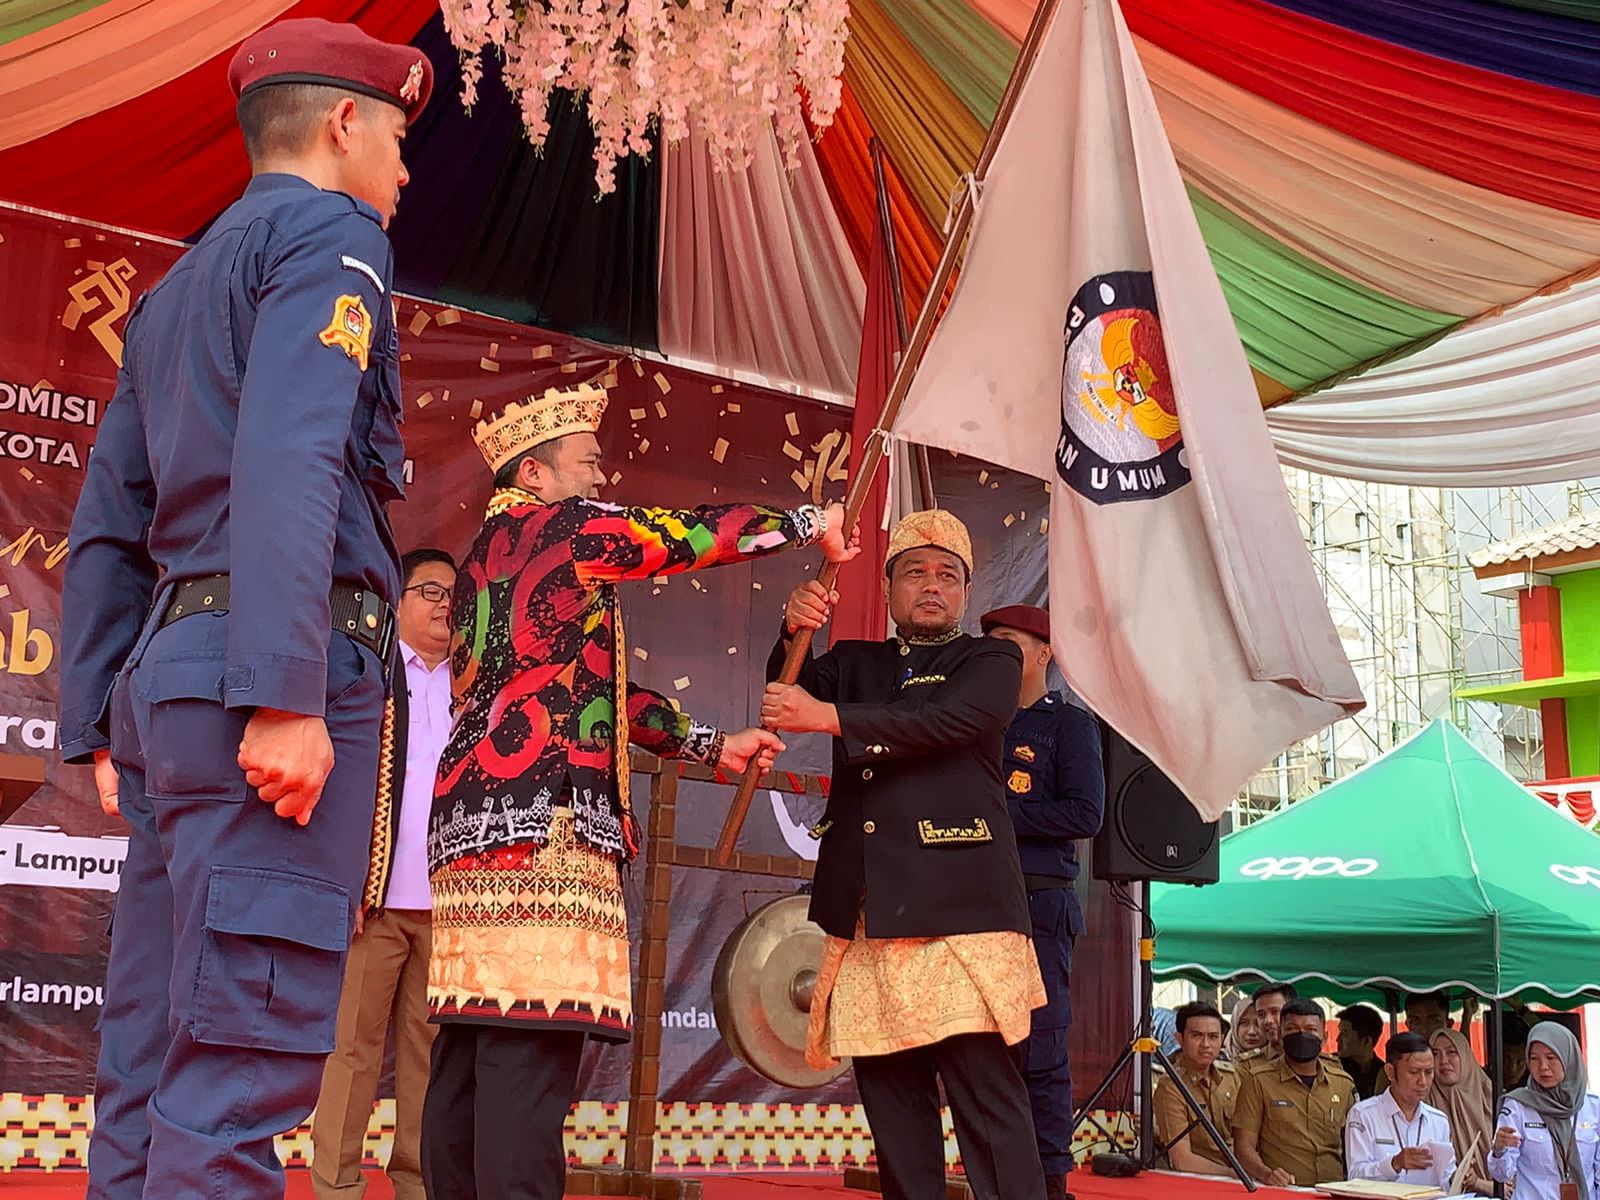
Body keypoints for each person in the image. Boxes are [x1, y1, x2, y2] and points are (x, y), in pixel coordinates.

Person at [58, 19, 430, 1200]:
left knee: (156, 1056)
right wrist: (285, 688)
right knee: (240, 1063)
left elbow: (109, 523)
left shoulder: (172, 291)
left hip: (173, 686)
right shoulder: (334, 234)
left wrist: (94, 723)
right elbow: (292, 450)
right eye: (401, 137)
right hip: (267, 676)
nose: (407, 171)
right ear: (342, 124)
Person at [420, 384, 857, 1200]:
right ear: (536, 473)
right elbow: (680, 535)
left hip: (468, 826)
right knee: (528, 1040)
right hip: (543, 819)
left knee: (474, 1038)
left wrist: (706, 744)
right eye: (586, 463)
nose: (601, 475)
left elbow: (591, 696)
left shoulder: (482, 558)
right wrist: (807, 524)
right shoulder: (566, 528)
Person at [762, 509, 1047, 1200]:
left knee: (987, 1102)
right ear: (889, 588)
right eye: (914, 571)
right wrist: (793, 628)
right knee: (894, 1108)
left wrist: (830, 719)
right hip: (866, 916)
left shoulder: (991, 660)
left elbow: (947, 722)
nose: (931, 585)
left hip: (961, 915)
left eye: (947, 575)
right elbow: (786, 691)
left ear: (965, 593)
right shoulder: (857, 663)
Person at [310, 549, 456, 1199]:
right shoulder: (364, 675)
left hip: (449, 906)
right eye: (429, 590)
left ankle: (417, 1184)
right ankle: (336, 1186)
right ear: (396, 601)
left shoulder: (475, 685)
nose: (445, 603)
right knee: (352, 1053)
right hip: (375, 899)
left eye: (455, 594)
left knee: (432, 1060)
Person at [979, 603, 1105, 1200]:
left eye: (1012, 642)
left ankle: (1050, 1182)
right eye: (993, 642)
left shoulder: (1068, 725)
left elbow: (1085, 813)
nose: (1000, 652)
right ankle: (993, 1174)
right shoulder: (974, 720)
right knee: (979, 1048)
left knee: (1040, 1046)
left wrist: (1000, 816)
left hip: (1039, 907)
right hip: (973, 906)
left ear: (1043, 653)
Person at [1232, 998, 1356, 1187]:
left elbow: (1353, 1146)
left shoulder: (1343, 1084)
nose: (1301, 1035)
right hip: (1285, 1191)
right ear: (1280, 1035)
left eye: (1310, 1030)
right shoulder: (1258, 1081)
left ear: (1324, 1036)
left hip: (1334, 1190)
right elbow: (1243, 1147)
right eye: (1292, 1029)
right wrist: (1266, 1174)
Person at [1490, 1021, 1600, 1200]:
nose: (1543, 1067)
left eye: (1551, 1057)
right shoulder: (1518, 1105)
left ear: (1568, 1057)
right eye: (1534, 1058)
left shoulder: (1592, 1106)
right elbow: (1502, 1175)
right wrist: (1499, 1150)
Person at [1344, 1032, 1456, 1189]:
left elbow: (1445, 1179)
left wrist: (1459, 1178)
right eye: (1414, 1072)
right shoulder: (1363, 1115)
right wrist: (1394, 1164)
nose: (1423, 1081)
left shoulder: (1439, 1120)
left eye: (1429, 1072)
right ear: (1390, 1072)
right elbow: (1355, 1176)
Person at [1154, 1002, 1241, 1178]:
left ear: (1222, 1039)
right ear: (1179, 1039)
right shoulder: (1171, 1087)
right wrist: (1235, 1174)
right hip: (1200, 1181)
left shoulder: (1232, 1077)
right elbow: (1182, 1160)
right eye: (1197, 1036)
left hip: (1242, 1176)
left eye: (1213, 1036)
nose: (1206, 1044)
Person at [1428, 1027, 1495, 1195]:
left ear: (1465, 1056)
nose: (1443, 1061)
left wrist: (1478, 1183)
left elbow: (1513, 1185)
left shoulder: (1491, 1098)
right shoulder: (1423, 1105)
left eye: (1452, 1052)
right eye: (1435, 1054)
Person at [1237, 982, 1298, 1071]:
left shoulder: (1317, 1061)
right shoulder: (1246, 1067)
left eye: (1275, 1012)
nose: (1268, 1021)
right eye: (1261, 1015)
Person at [1338, 1004, 1387, 1100]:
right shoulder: (1332, 1068)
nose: (1338, 1039)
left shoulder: (1385, 1075)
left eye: (1345, 1033)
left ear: (1366, 1041)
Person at [1225, 997, 1263, 1061]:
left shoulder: (1281, 1061)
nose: (1252, 1032)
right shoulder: (1215, 1061)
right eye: (1244, 1023)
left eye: (1258, 1024)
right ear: (1235, 1026)